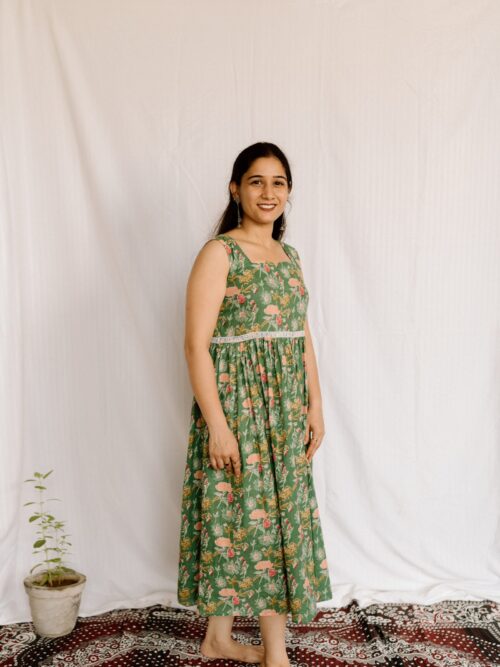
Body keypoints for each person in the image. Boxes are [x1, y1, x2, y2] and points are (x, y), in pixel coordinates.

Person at [177, 142, 332, 667]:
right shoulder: (220, 253)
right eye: (257, 181)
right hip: (239, 409)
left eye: (278, 182)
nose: (269, 193)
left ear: (289, 192)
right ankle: (276, 655)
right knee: (243, 520)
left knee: (278, 519)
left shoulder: (291, 257)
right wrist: (218, 427)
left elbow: (300, 336)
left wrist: (315, 404)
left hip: (285, 412)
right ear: (235, 189)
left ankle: (218, 640)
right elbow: (195, 345)